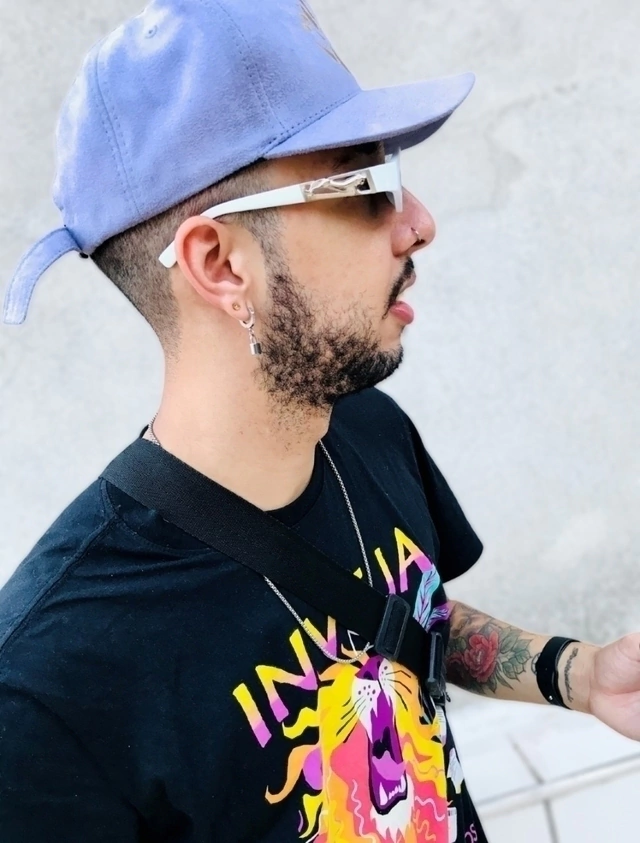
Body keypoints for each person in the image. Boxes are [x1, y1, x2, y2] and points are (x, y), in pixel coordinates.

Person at [1, 1, 639, 841]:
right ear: (220, 263)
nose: (419, 223)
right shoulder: (47, 693)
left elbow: (412, 614)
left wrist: (579, 674)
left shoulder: (367, 428)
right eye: (365, 186)